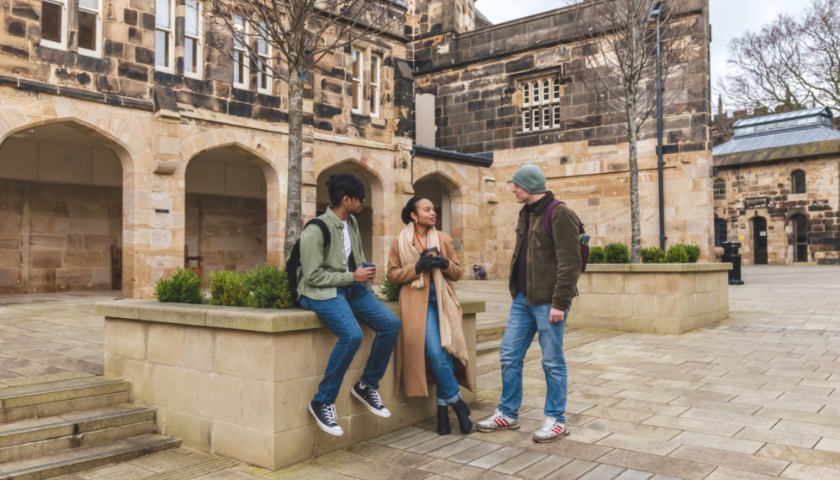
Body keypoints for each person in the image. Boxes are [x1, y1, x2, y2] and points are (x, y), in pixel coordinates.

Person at [476, 164, 582, 443]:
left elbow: (571, 263)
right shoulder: (526, 213)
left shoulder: (560, 213)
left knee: (552, 361)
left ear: (531, 186)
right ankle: (508, 413)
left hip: (549, 303)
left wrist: (560, 302)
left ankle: (557, 419)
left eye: (516, 185)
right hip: (523, 300)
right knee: (509, 355)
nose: (512, 189)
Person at [297, 173, 401, 437]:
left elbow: (356, 260)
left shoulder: (352, 222)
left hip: (350, 288)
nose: (364, 202)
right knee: (352, 335)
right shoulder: (315, 229)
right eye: (360, 198)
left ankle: (367, 385)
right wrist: (351, 277)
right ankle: (322, 401)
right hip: (319, 291)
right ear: (346, 200)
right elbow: (312, 276)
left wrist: (364, 281)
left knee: (390, 324)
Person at [387, 196, 473, 435]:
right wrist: (418, 267)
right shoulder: (399, 241)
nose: (432, 212)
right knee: (436, 352)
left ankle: (442, 416)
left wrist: (444, 263)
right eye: (426, 209)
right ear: (414, 215)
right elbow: (392, 275)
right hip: (416, 306)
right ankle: (457, 402)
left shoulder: (443, 239)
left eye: (433, 208)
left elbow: (457, 273)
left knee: (443, 353)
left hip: (442, 303)